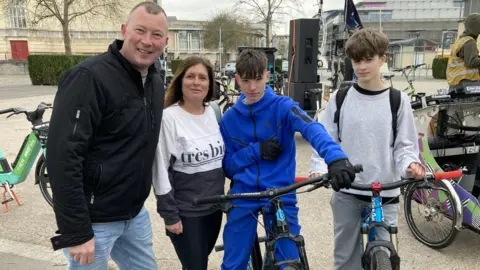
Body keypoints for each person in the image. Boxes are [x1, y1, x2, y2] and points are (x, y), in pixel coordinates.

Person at [46, 1, 168, 269]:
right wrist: (76, 231)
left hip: (134, 215)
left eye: (156, 35)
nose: (148, 41)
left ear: (165, 41)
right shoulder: (89, 78)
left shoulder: (155, 83)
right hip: (95, 221)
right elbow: (62, 158)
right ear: (124, 30)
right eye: (140, 30)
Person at [219, 49, 357, 270]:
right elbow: (228, 166)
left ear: (267, 75)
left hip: (280, 193)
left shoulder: (283, 107)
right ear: (237, 79)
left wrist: (336, 158)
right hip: (244, 195)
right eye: (245, 81)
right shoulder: (229, 119)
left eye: (257, 79)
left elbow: (312, 128)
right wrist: (256, 151)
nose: (252, 87)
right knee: (233, 265)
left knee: (289, 263)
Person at [308, 28, 425, 270]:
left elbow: (405, 146)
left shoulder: (397, 100)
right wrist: (319, 169)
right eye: (356, 60)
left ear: (383, 59)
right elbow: (325, 139)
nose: (361, 66)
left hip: (385, 193)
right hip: (348, 191)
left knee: (386, 254)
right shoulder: (341, 98)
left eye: (368, 59)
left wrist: (410, 165)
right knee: (346, 259)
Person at [152, 56, 225, 270]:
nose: (197, 82)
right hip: (186, 212)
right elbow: (160, 171)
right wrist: (169, 215)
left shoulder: (213, 112)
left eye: (203, 77)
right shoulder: (169, 118)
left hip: (214, 209)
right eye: (190, 76)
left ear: (210, 84)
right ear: (180, 80)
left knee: (200, 262)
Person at [447, 13, 480, 87]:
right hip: (466, 82)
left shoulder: (461, 39)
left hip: (457, 82)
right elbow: (471, 62)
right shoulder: (469, 41)